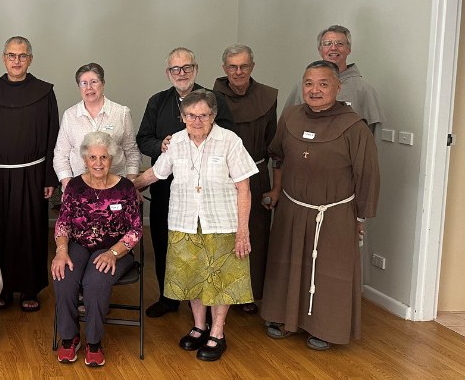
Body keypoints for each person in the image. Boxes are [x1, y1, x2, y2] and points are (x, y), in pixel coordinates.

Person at [261, 60, 379, 351]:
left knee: (330, 271)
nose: (314, 90)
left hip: (335, 213)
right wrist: (276, 190)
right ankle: (281, 317)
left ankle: (325, 327)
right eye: (308, 83)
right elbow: (278, 156)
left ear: (338, 87)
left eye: (323, 84)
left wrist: (361, 217)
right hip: (291, 206)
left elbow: (367, 175)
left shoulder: (354, 126)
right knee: (287, 264)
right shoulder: (289, 117)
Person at [135, 90, 257, 362]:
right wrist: (125, 188)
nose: (197, 120)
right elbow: (157, 173)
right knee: (193, 278)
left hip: (221, 223)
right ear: (182, 117)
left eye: (203, 115)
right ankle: (199, 326)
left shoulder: (229, 141)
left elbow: (244, 187)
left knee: (221, 280)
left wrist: (243, 230)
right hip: (184, 221)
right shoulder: (176, 142)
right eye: (191, 115)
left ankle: (217, 332)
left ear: (213, 116)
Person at [135, 47, 235, 318]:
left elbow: (227, 135)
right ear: (168, 73)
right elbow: (143, 139)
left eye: (186, 68)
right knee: (164, 241)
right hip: (165, 187)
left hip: (206, 191)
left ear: (196, 69)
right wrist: (161, 144)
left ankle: (202, 302)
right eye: (175, 69)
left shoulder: (214, 100)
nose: (181, 73)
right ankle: (168, 298)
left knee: (201, 246)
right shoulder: (157, 102)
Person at [0, 36, 59, 312]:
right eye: (12, 55)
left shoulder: (44, 92)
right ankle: (2, 287)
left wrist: (49, 178)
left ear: (30, 59)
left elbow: (52, 136)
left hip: (33, 176)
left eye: (22, 56)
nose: (17, 61)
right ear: (4, 58)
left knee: (32, 230)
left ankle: (30, 289)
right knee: (0, 232)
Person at [52, 132, 142, 367]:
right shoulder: (74, 186)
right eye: (93, 157)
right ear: (85, 159)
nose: (98, 163)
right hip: (79, 245)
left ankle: (94, 342)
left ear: (112, 159)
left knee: (96, 280)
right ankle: (69, 338)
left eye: (103, 157)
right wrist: (61, 251)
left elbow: (135, 229)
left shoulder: (125, 188)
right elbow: (63, 222)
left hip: (116, 249)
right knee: (65, 276)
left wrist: (113, 253)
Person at [211, 45, 277, 313]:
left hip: (256, 175)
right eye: (233, 66)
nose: (238, 72)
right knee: (220, 236)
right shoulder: (211, 97)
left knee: (254, 234)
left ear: (252, 66)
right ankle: (216, 289)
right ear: (224, 69)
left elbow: (272, 140)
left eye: (244, 66)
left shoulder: (268, 97)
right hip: (219, 177)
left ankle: (248, 293)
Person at [283, 25, 385, 135]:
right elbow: (287, 125)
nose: (333, 48)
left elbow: (373, 136)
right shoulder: (302, 86)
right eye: (327, 44)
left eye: (339, 44)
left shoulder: (363, 90)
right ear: (320, 50)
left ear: (348, 49)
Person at [53, 63, 140, 191]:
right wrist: (69, 186)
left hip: (116, 188)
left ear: (103, 83)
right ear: (79, 87)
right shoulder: (70, 115)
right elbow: (61, 155)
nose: (89, 87)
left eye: (94, 82)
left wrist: (130, 185)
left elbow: (132, 152)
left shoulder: (121, 113)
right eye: (84, 83)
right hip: (79, 190)